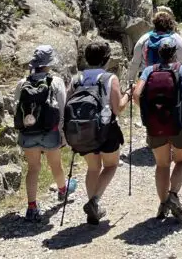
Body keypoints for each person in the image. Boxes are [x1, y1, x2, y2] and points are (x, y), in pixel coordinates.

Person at [65, 40, 133, 225]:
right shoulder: (109, 78)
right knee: (111, 165)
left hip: (82, 131)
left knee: (93, 168)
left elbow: (67, 105)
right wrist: (128, 94)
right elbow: (118, 108)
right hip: (106, 130)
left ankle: (92, 208)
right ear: (107, 59)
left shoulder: (76, 79)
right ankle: (94, 202)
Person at [133, 36, 182, 220]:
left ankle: (163, 205)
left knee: (162, 165)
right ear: (175, 53)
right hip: (179, 124)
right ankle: (172, 194)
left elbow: (136, 94)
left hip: (156, 125)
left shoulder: (149, 70)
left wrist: (148, 113)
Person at [13, 44, 77, 222]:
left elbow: (15, 108)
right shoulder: (55, 82)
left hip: (28, 131)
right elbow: (63, 110)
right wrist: (64, 135)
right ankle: (63, 191)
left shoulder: (22, 83)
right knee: (55, 164)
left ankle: (32, 207)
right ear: (49, 63)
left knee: (33, 168)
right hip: (50, 132)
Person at [127, 9, 182, 84]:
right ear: (170, 24)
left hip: (147, 78)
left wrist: (131, 82)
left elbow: (135, 63)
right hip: (170, 78)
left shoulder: (143, 39)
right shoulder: (177, 39)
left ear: (154, 24)